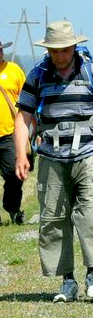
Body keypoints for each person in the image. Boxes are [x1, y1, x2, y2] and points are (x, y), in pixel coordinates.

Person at [13, 21, 93, 302]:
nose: (59, 55)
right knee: (54, 218)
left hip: (89, 154)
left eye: (64, 50)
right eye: (54, 50)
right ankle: (67, 280)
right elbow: (24, 116)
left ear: (74, 47)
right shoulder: (37, 75)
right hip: (52, 157)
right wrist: (22, 154)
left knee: (90, 215)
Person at [0, 37, 27, 225]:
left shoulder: (14, 70)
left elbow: (27, 100)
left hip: (10, 133)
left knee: (14, 174)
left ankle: (12, 207)